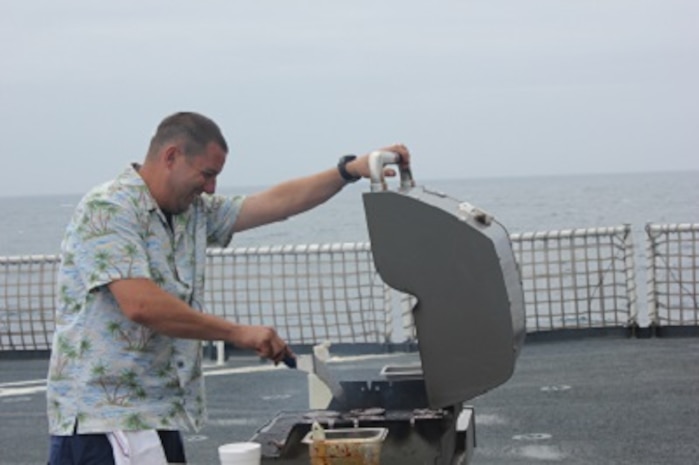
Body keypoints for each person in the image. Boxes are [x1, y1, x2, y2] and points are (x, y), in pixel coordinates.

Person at [46, 111, 411, 464]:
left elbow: (276, 203)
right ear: (171, 156)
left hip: (156, 415)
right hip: (102, 422)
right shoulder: (109, 208)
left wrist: (347, 171)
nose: (210, 187)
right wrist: (239, 332)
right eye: (206, 174)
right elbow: (141, 305)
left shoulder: (193, 213)